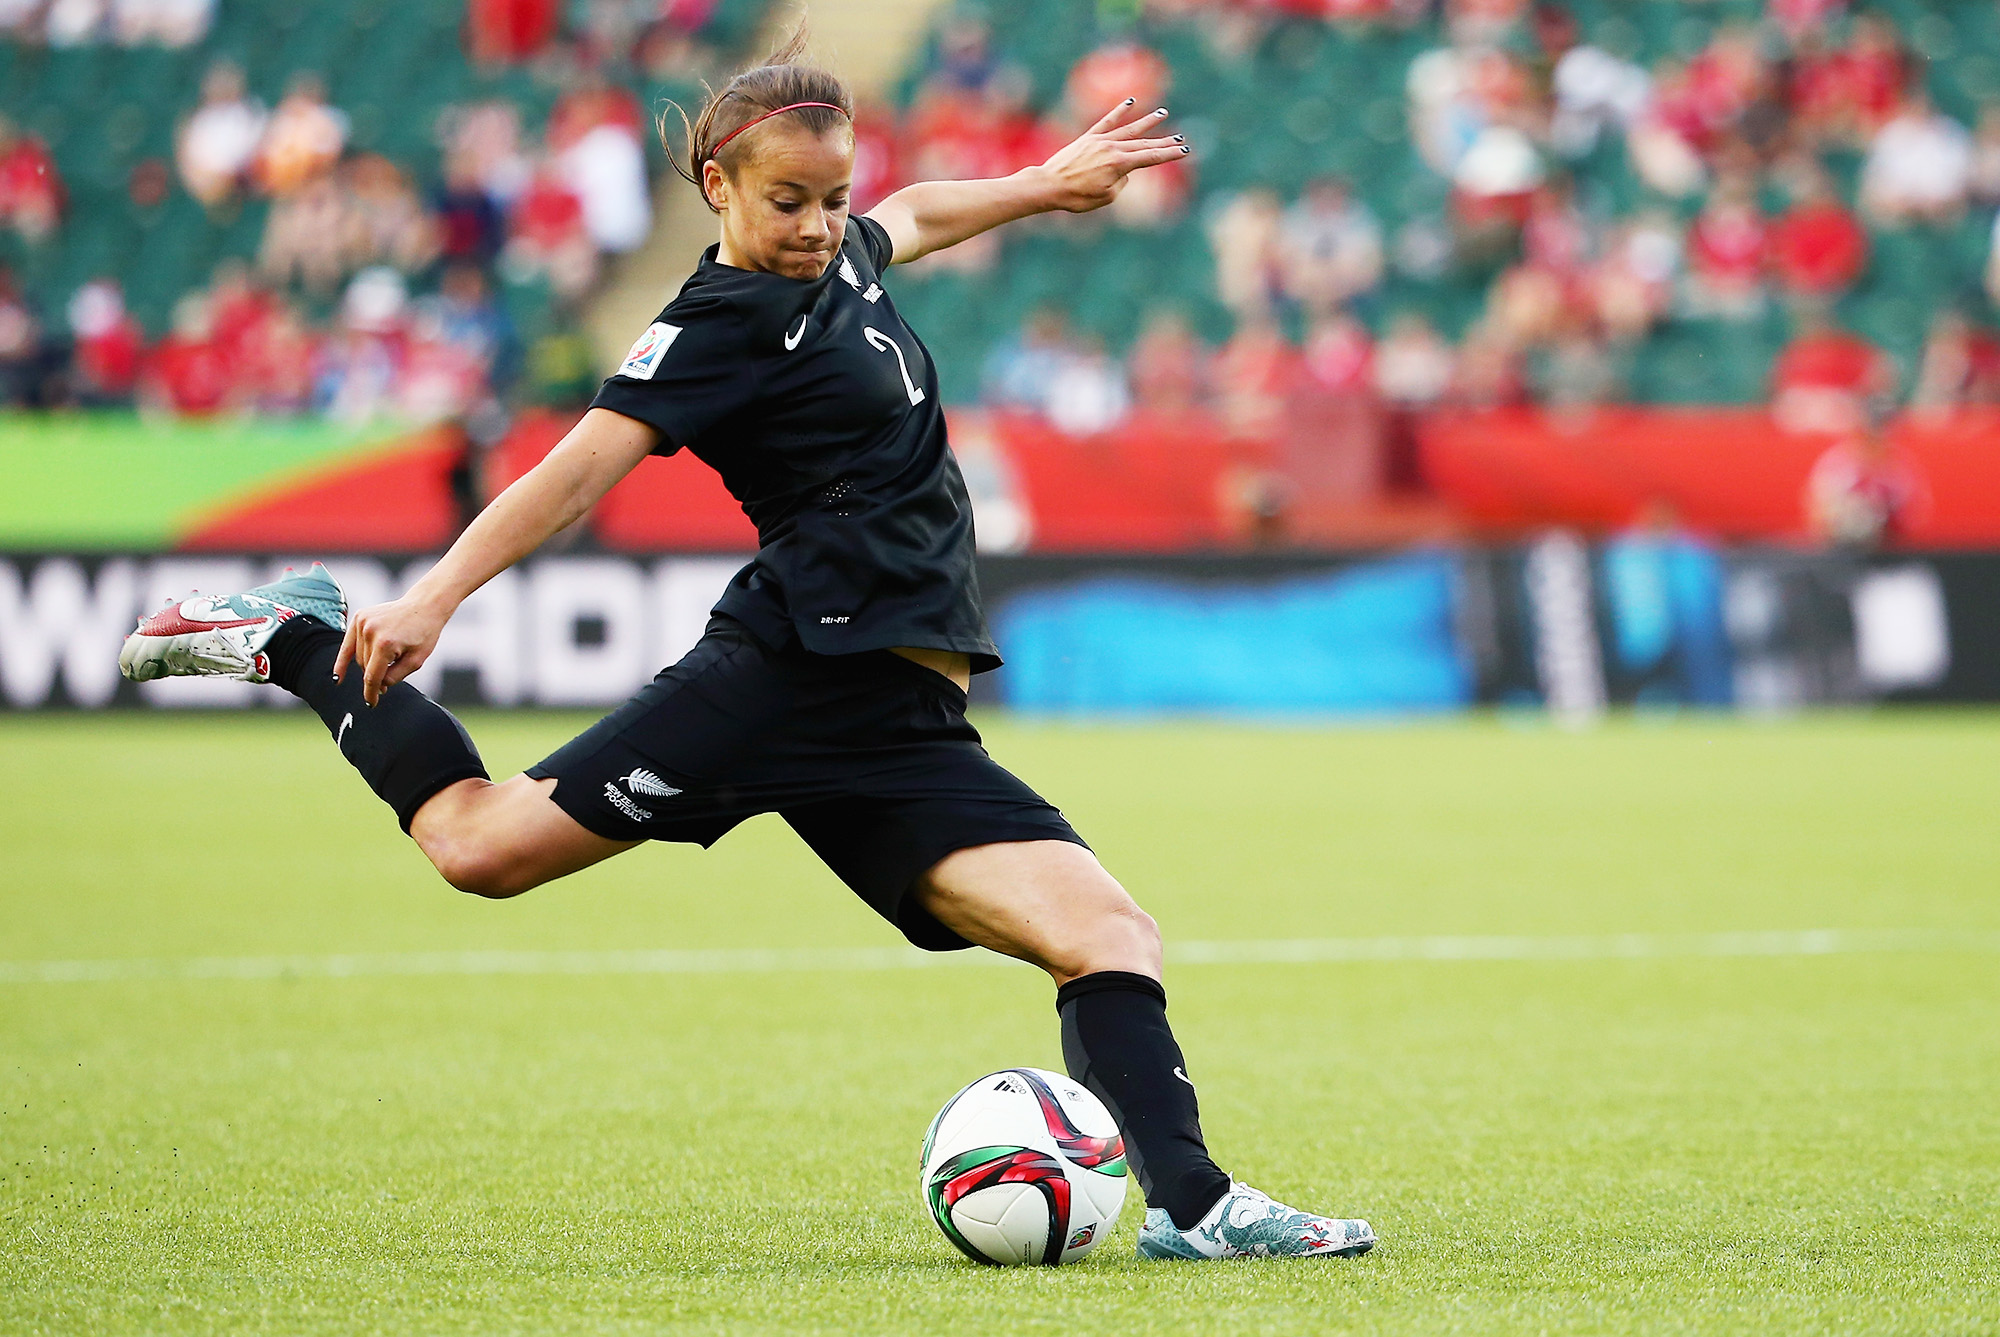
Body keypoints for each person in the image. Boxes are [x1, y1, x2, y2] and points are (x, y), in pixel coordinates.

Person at [116, 31, 1374, 1264]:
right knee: (475, 847)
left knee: (1107, 932)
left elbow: (912, 214)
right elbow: (577, 471)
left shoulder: (843, 256)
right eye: (789, 202)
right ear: (717, 185)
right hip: (785, 675)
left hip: (897, 720)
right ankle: (300, 638)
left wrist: (1043, 184)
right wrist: (436, 594)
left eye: (832, 196)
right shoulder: (714, 322)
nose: (820, 225)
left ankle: (1192, 1206)